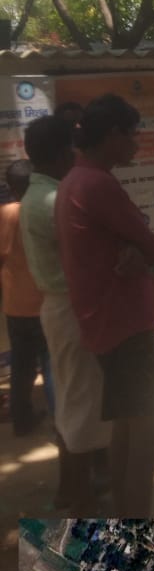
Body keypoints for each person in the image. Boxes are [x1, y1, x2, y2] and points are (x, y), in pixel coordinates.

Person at [56, 94, 154, 517]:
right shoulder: (98, 184)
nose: (136, 144)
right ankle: (137, 525)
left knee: (126, 422)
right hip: (124, 320)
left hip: (103, 321)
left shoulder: (74, 180)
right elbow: (153, 246)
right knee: (148, 429)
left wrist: (136, 247)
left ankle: (124, 513)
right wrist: (141, 248)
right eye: (132, 135)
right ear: (113, 135)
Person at [20, 116, 112, 512]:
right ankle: (79, 498)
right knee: (81, 405)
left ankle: (73, 488)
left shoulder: (44, 193)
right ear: (64, 153)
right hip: (70, 307)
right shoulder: (52, 200)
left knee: (77, 400)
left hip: (61, 305)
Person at [0, 160, 51, 436]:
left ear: (10, 187)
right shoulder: (40, 210)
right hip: (45, 301)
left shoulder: (5, 214)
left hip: (15, 305)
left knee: (21, 365)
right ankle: (62, 420)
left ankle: (21, 420)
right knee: (52, 364)